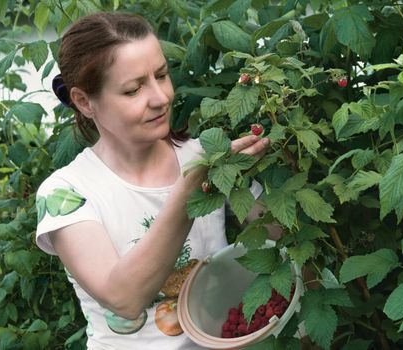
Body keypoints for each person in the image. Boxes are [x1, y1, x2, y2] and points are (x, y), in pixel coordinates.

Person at [34, 11, 270, 350]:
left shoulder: (207, 154)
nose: (160, 97)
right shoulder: (67, 193)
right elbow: (124, 298)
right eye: (133, 90)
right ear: (85, 101)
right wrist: (192, 185)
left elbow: (281, 242)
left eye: (161, 75)